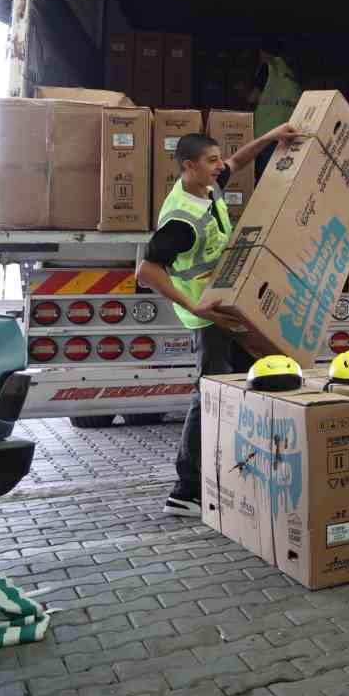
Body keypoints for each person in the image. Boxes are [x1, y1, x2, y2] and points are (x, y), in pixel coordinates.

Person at [138, 123, 299, 517]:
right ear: (189, 166)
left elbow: (237, 160)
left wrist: (273, 135)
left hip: (226, 305)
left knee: (244, 383)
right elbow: (146, 270)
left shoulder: (207, 187)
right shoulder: (181, 218)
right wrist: (194, 308)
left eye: (216, 160)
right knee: (208, 393)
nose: (218, 166)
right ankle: (185, 490)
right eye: (210, 161)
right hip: (206, 314)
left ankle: (234, 471)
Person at [248, 43, 302, 181]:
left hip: (266, 134)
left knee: (262, 180)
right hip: (287, 134)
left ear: (262, 53)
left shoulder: (268, 68)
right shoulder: (292, 73)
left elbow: (252, 97)